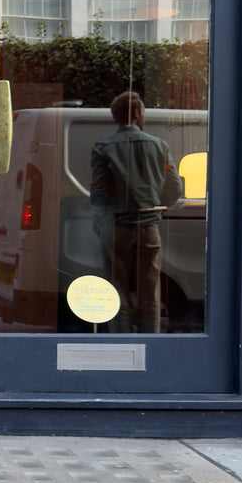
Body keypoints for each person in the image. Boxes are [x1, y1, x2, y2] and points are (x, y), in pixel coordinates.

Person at [90, 91, 182, 333]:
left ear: (117, 117)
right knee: (150, 292)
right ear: (137, 113)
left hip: (117, 228)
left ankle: (118, 344)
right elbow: (175, 188)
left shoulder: (102, 147)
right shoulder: (159, 145)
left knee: (117, 290)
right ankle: (150, 346)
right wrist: (156, 206)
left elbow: (98, 194)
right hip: (149, 226)